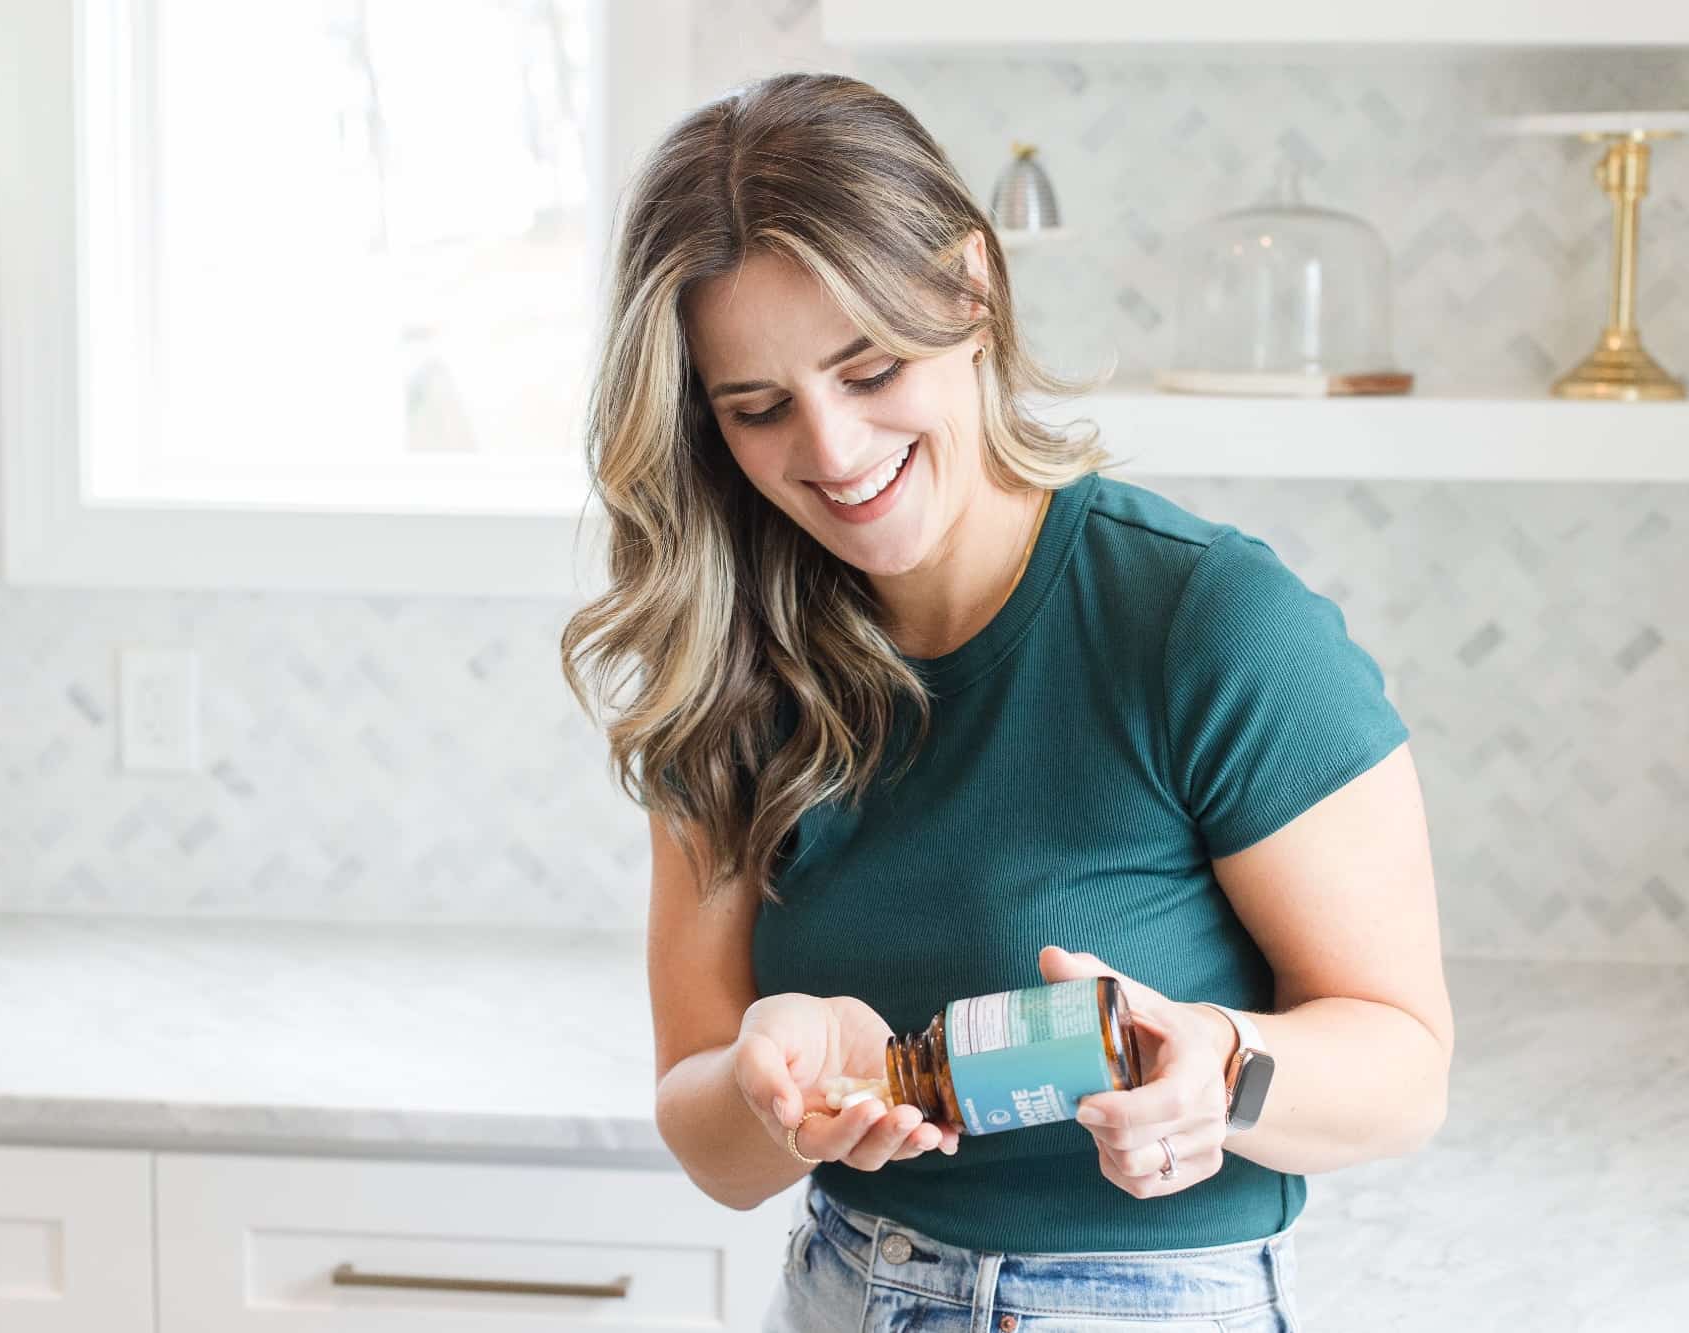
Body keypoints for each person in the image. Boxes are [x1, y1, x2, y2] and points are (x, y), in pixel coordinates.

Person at [560, 70, 1453, 1332]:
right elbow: (706, 1140)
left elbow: (1406, 1066)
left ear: (969, 291)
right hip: (837, 1290)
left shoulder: (1205, 622)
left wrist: (1226, 1069)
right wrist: (770, 1080)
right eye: (758, 410)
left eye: (867, 369)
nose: (830, 451)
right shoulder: (728, 665)